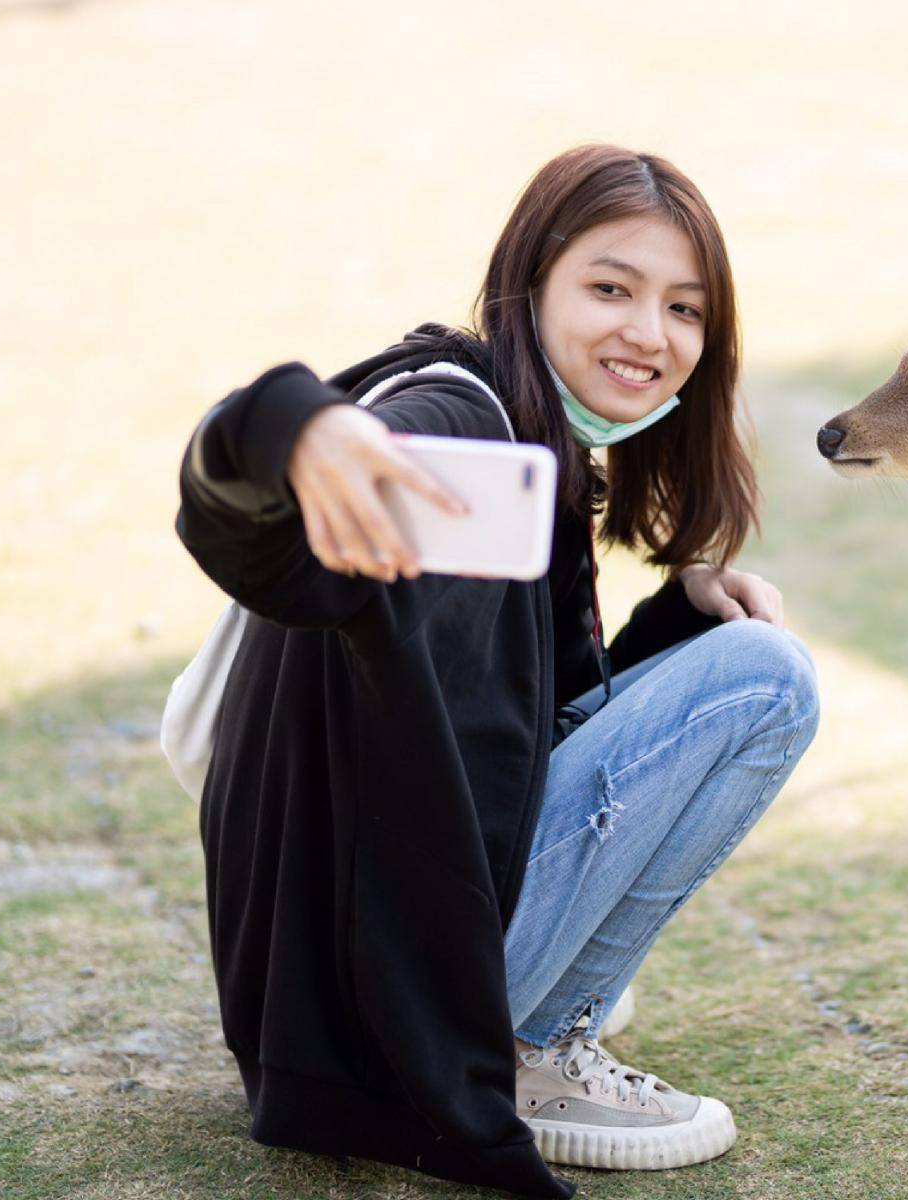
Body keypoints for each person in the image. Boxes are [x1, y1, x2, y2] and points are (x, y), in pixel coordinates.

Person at [176, 145, 819, 1195]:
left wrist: (672, 622)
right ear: (531, 287)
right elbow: (249, 514)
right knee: (767, 681)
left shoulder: (537, 458)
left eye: (686, 309)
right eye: (611, 289)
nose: (650, 335)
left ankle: (517, 1025)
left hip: (331, 990)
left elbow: (522, 730)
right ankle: (528, 1049)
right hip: (374, 1007)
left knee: (731, 650)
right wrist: (295, 426)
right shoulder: (455, 421)